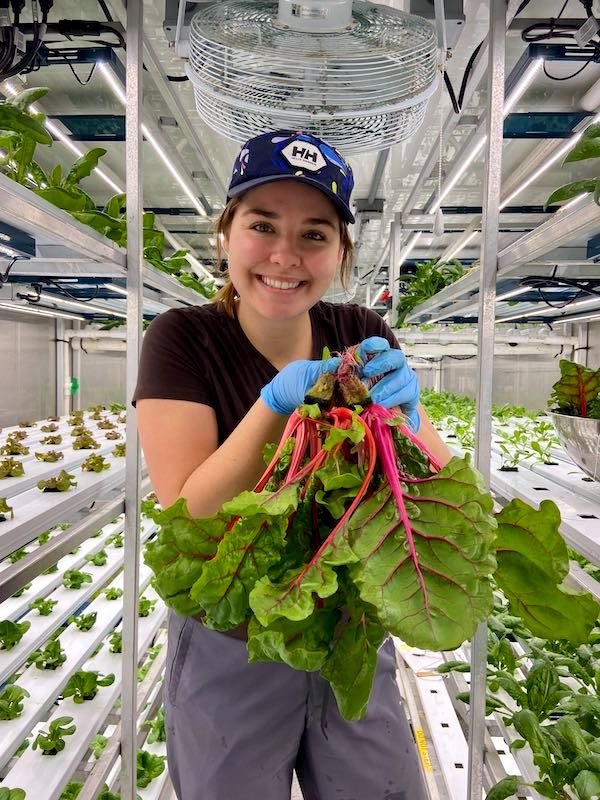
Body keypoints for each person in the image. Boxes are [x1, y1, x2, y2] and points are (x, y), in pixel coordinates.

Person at [134, 129, 452, 800]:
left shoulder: (361, 331)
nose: (284, 255)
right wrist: (275, 404)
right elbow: (189, 514)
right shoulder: (182, 338)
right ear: (225, 233)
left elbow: (435, 485)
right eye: (262, 225)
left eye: (314, 234)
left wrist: (415, 424)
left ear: (341, 252)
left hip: (349, 625)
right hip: (232, 633)